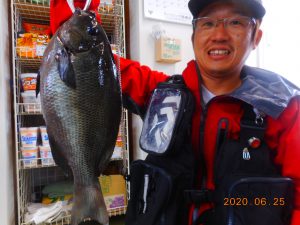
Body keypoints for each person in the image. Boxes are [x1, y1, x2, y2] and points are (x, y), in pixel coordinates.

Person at [49, 0, 300, 224]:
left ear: (256, 36)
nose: (220, 35)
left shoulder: (284, 110)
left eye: (236, 22)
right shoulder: (160, 94)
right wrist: (82, 11)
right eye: (208, 23)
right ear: (194, 36)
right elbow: (84, 60)